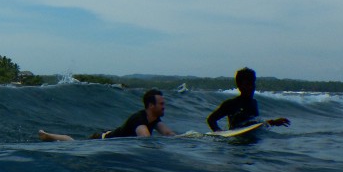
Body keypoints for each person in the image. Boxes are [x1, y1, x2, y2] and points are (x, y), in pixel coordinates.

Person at [39, 88, 176, 142]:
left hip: (109, 136)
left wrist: (191, 137)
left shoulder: (155, 119)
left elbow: (169, 134)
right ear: (151, 106)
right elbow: (145, 138)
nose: (164, 106)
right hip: (102, 140)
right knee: (74, 143)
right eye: (161, 104)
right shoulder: (139, 119)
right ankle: (47, 135)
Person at [207, 67, 290, 131]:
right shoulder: (231, 104)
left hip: (252, 143)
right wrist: (219, 132)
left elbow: (254, 124)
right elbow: (211, 120)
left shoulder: (253, 103)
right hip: (236, 141)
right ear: (239, 86)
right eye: (247, 84)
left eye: (252, 84)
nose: (250, 87)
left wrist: (274, 122)